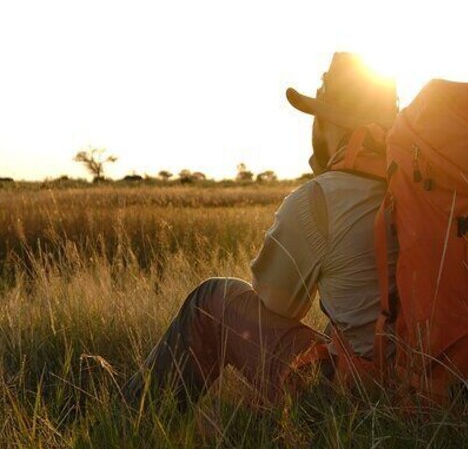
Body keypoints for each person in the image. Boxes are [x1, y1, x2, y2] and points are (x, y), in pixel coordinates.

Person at [123, 53, 399, 408]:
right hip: (443, 390)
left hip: (359, 401)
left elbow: (279, 304)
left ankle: (132, 421)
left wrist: (321, 175)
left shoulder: (322, 196)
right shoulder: (426, 187)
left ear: (327, 122)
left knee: (211, 300)